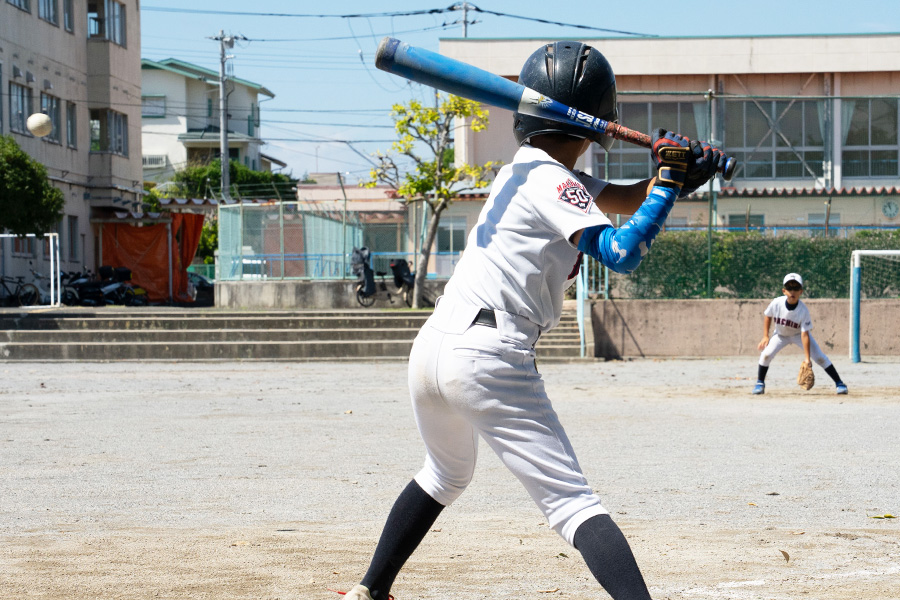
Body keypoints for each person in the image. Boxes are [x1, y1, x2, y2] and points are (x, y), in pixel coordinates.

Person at [341, 41, 723, 600]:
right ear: (599, 118)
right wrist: (666, 184)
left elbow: (621, 198)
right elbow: (622, 250)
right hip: (488, 355)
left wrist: (680, 178)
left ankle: (369, 590)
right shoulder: (555, 182)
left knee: (444, 475)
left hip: (433, 350)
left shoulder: (527, 172)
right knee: (573, 504)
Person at [752, 273, 848, 395]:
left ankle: (839, 383)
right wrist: (765, 335)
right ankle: (760, 383)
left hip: (798, 335)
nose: (793, 291)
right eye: (789, 288)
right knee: (766, 355)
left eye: (796, 288)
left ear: (801, 292)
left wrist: (807, 359)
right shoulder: (777, 303)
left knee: (819, 357)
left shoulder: (803, 310)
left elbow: (804, 335)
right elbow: (768, 315)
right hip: (781, 335)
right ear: (784, 291)